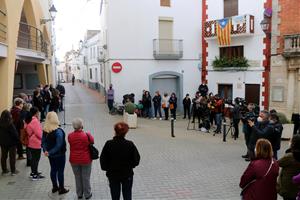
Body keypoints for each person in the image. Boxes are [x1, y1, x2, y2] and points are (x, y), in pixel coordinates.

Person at [100, 122, 140, 200]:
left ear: (115, 131)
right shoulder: (130, 144)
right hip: (127, 174)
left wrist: (107, 168)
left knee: (115, 195)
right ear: (126, 132)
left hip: (113, 174)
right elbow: (136, 160)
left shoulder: (109, 144)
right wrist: (131, 166)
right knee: (127, 194)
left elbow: (103, 160)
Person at [42, 112, 69, 195]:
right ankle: (61, 189)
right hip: (59, 155)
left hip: (51, 155)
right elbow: (59, 145)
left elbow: (43, 142)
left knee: (53, 170)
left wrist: (46, 151)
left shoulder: (45, 130)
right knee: (60, 171)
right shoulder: (58, 131)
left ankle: (54, 187)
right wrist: (49, 152)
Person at [68, 118, 93, 199]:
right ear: (81, 125)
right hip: (85, 159)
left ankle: (79, 194)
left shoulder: (70, 135)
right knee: (86, 177)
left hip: (74, 160)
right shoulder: (86, 135)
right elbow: (92, 141)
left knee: (77, 177)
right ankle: (87, 194)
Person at [277, 135, 300, 200]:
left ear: (293, 143)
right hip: (297, 186)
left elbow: (278, 163)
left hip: (288, 187)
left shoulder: (289, 156)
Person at [24, 107, 45, 180]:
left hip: (30, 142)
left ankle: (33, 172)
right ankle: (35, 175)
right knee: (36, 159)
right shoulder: (35, 121)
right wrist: (43, 139)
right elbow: (39, 134)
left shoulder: (28, 120)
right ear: (36, 113)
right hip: (36, 143)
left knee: (33, 159)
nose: (39, 113)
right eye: (38, 112)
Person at [0, 110, 19, 176]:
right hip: (12, 143)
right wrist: (17, 140)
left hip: (3, 143)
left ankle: (4, 170)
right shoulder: (10, 124)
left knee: (3, 156)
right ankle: (13, 171)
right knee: (12, 157)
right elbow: (15, 134)